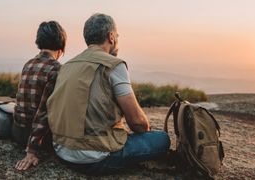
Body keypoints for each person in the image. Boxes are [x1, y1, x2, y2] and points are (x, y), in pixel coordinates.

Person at [47, 13, 170, 175]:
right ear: (111, 36)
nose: (117, 39)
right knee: (162, 139)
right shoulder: (113, 65)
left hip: (62, 150)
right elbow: (138, 124)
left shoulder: (67, 66)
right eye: (117, 35)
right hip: (96, 157)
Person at [12, 21, 67, 171]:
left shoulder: (28, 64)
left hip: (17, 132)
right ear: (61, 45)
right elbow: (44, 112)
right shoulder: (56, 69)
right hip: (40, 140)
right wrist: (31, 151)